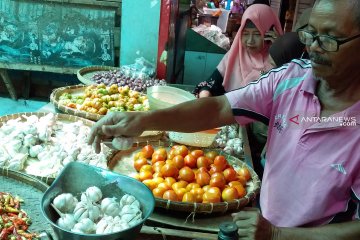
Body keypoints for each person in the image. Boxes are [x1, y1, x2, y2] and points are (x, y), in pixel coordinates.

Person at [88, 0, 360, 238]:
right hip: (262, 224)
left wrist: (278, 235)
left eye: (329, 39)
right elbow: (218, 108)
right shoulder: (290, 79)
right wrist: (143, 120)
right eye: (310, 34)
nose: (313, 47)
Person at [194, 4, 283, 97]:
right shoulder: (234, 56)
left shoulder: (281, 61)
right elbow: (209, 84)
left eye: (257, 34)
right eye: (245, 34)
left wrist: (278, 51)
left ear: (270, 34)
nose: (250, 41)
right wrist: (204, 94)